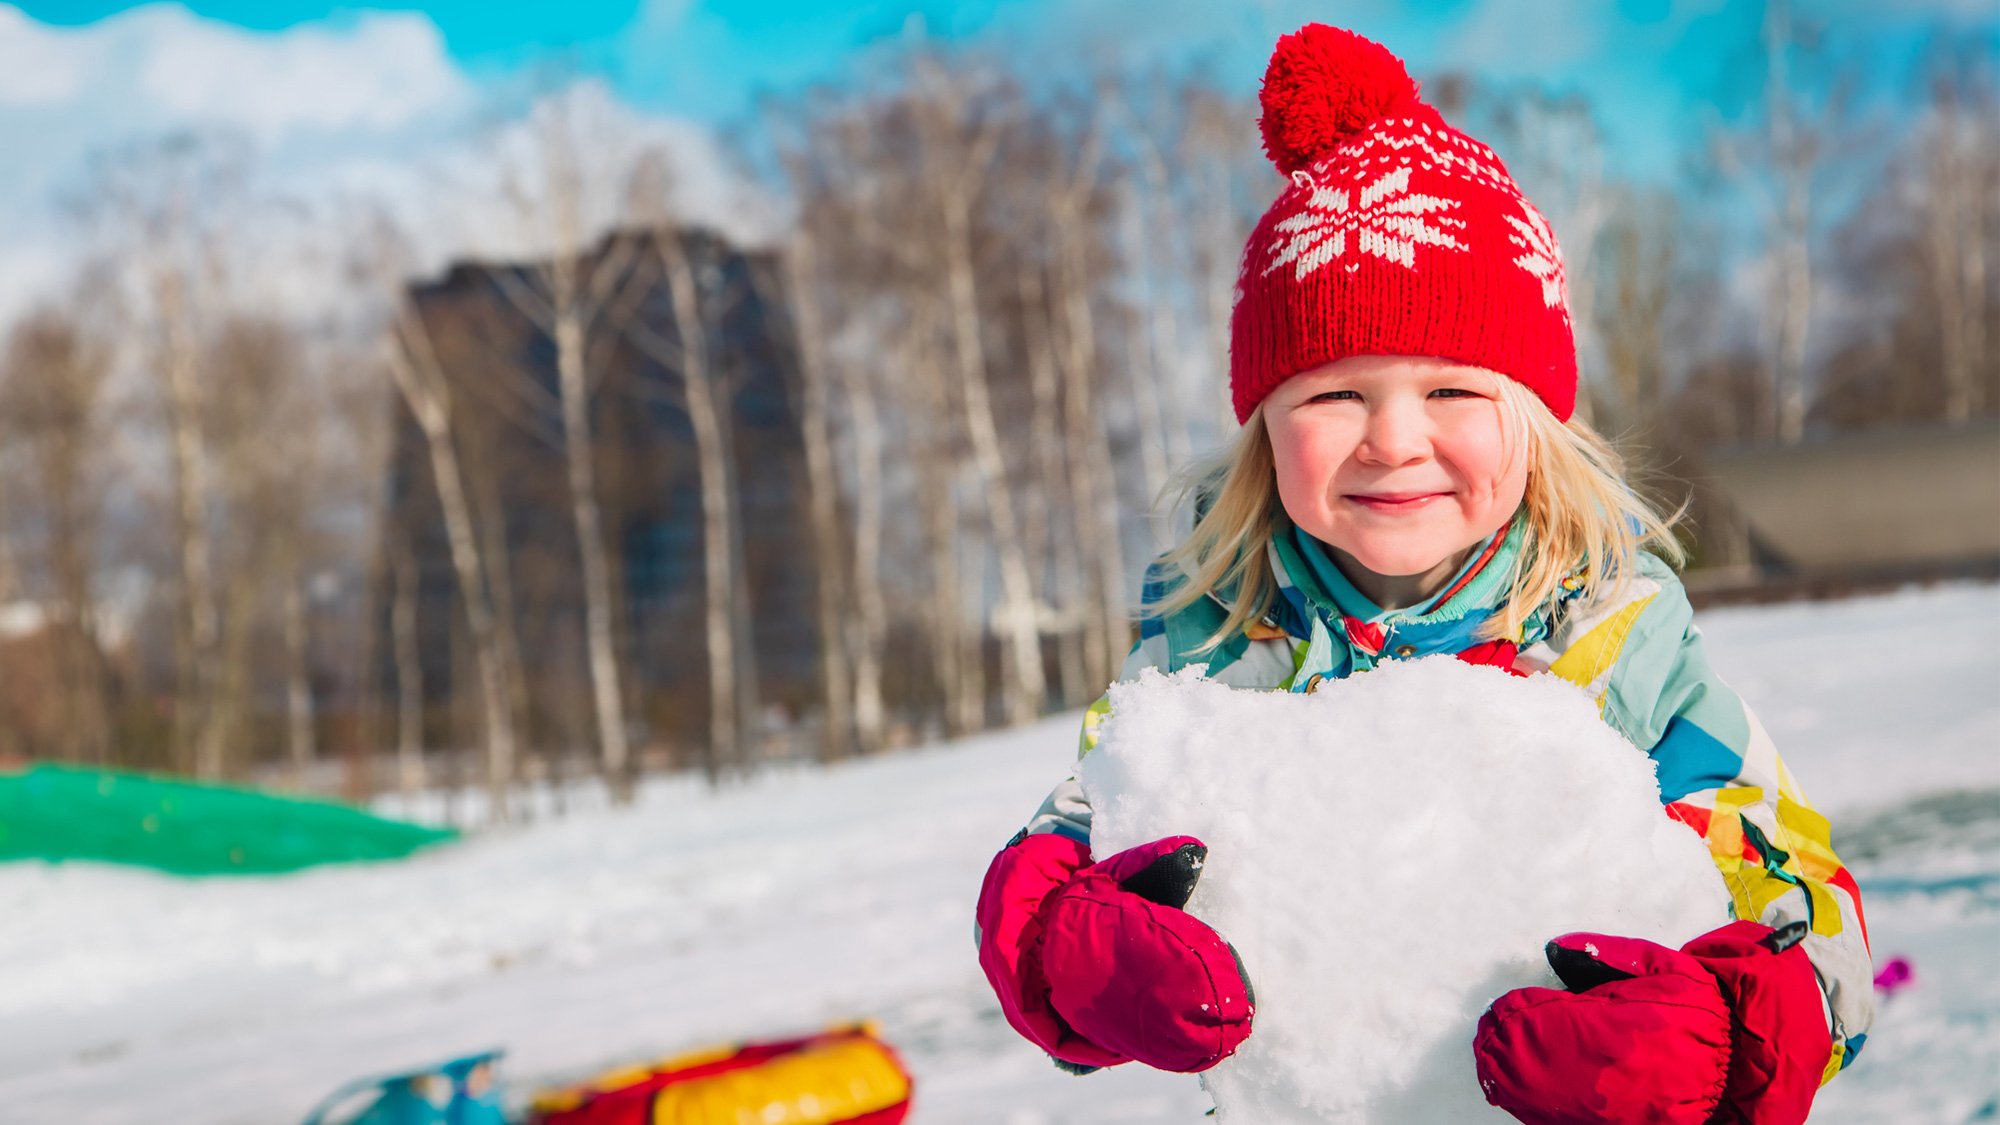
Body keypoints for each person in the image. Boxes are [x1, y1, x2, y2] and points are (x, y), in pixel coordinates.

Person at [973, 23, 1874, 1125]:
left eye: (1452, 391)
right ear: (1262, 430)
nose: (1393, 441)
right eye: (1332, 394)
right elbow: (1062, 857)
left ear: (1534, 423)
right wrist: (1071, 958)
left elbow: (1804, 904)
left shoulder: (1612, 643)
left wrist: (1721, 1036)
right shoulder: (1214, 646)